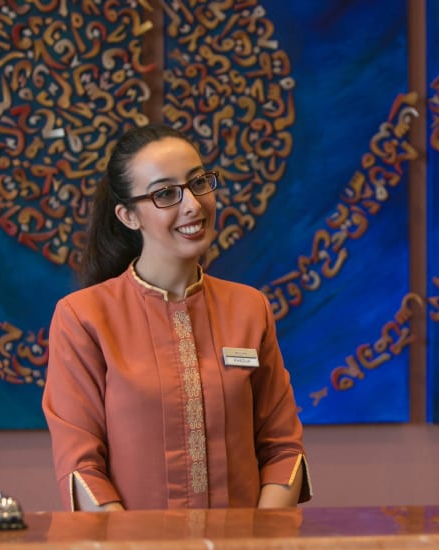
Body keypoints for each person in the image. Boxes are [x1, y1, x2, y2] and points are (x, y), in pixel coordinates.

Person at [42, 123, 311, 511]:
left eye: (198, 183)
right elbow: (80, 466)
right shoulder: (82, 317)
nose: (193, 205)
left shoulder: (250, 309)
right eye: (166, 193)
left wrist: (257, 547)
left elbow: (283, 449)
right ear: (128, 215)